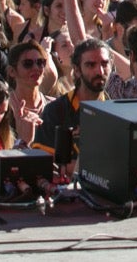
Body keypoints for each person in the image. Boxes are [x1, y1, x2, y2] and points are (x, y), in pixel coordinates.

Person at [36, 39, 112, 174]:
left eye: (105, 64)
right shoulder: (56, 111)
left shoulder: (116, 111)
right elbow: (44, 163)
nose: (100, 71)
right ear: (77, 70)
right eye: (91, 65)